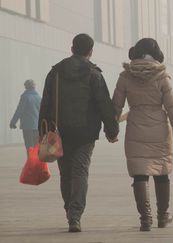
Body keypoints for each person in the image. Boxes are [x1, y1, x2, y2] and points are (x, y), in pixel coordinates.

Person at [39, 33, 119, 232]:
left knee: (65, 173)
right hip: (86, 133)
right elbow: (104, 105)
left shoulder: (56, 72)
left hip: (60, 132)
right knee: (80, 171)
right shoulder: (94, 74)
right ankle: (75, 215)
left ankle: (70, 211)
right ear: (90, 51)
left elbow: (46, 102)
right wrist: (112, 130)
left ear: (72, 48)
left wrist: (42, 131)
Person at [112, 38, 173, 232]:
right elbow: (172, 108)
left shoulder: (125, 76)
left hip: (135, 126)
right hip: (159, 129)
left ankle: (145, 218)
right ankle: (162, 216)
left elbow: (116, 107)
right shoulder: (162, 76)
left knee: (140, 174)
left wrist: (111, 130)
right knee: (161, 172)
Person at [9, 79, 41, 155]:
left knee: (29, 147)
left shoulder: (25, 97)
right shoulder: (39, 98)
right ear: (34, 87)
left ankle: (30, 164)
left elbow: (19, 110)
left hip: (28, 126)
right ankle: (36, 164)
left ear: (26, 87)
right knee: (36, 147)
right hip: (37, 127)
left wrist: (13, 122)